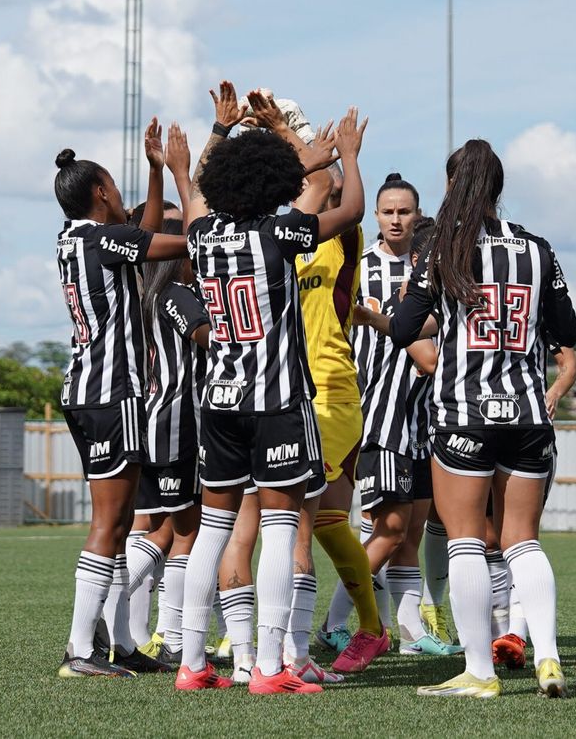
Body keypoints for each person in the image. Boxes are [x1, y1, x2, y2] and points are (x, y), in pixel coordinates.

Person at [362, 138, 576, 699]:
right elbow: (568, 331)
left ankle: (479, 672)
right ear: (500, 188)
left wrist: (420, 302)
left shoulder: (442, 250)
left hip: (464, 410)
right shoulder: (538, 249)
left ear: (452, 187)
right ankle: (549, 659)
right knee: (523, 541)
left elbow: (406, 327)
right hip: (528, 412)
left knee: (462, 542)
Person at [174, 80, 366, 695]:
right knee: (282, 528)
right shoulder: (279, 234)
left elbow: (199, 192)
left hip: (220, 402)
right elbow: (350, 209)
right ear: (270, 186)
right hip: (277, 402)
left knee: (213, 529)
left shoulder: (202, 236)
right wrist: (347, 157)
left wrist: (216, 136)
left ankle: (193, 663)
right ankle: (269, 668)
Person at [52, 147, 191, 678]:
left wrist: (156, 173)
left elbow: (143, 237)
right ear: (102, 194)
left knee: (120, 521)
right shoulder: (102, 238)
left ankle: (123, 644)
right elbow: (172, 243)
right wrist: (192, 201)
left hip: (84, 391)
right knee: (111, 524)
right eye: (113, 185)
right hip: (114, 392)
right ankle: (80, 651)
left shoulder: (72, 239)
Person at [331, 181, 458, 657]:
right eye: (388, 211)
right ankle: (338, 622)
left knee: (410, 531)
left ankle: (409, 631)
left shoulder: (434, 267)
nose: (397, 219)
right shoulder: (359, 268)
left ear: (417, 213)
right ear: (377, 216)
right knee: (381, 526)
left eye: (405, 211)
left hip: (426, 418)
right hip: (378, 412)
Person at [492, 340, 576, 670]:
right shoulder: (463, 299)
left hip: (525, 431)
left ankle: (515, 633)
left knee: (519, 539)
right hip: (480, 430)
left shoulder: (537, 299)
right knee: (487, 540)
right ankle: (500, 634)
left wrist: (554, 392)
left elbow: (568, 364)